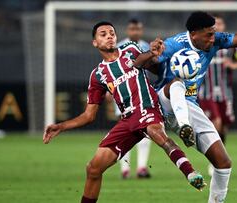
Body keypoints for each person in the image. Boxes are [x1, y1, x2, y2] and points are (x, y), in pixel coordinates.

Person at [43, 21, 205, 203]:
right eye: (103, 34)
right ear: (95, 43)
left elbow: (144, 62)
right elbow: (89, 116)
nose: (109, 36)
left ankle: (190, 172)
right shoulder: (98, 75)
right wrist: (60, 126)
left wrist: (153, 54)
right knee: (93, 169)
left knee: (157, 134)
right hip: (127, 121)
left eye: (111, 33)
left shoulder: (130, 50)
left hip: (148, 108)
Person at [149, 3, 237, 203]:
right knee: (176, 84)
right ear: (193, 34)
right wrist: (151, 54)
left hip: (190, 106)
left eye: (214, 33)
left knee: (224, 163)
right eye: (208, 34)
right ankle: (184, 127)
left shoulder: (216, 40)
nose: (213, 38)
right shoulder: (174, 44)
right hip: (163, 103)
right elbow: (143, 62)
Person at [198, 14, 237, 175]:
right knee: (216, 123)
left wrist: (232, 64)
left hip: (225, 93)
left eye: (220, 23)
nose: (217, 26)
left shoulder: (231, 46)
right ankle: (214, 161)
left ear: (224, 26)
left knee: (224, 128)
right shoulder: (203, 44)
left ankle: (221, 158)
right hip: (207, 93)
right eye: (215, 24)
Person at [116, 18, 152, 179]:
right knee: (126, 131)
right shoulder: (119, 47)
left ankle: (142, 167)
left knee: (146, 130)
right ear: (128, 30)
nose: (135, 32)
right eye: (132, 29)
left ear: (141, 30)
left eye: (137, 29)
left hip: (143, 94)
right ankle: (125, 168)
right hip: (124, 95)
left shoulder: (147, 47)